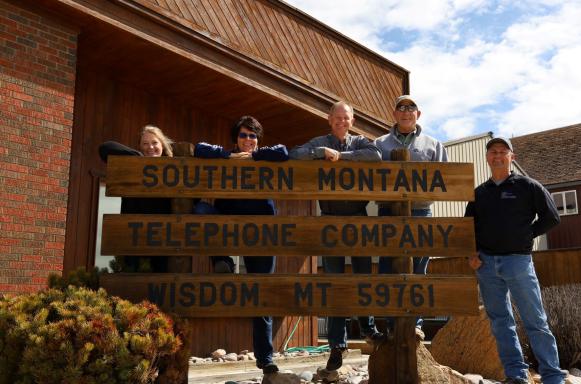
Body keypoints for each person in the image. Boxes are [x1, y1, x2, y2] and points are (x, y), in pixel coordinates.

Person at [289, 101, 384, 373]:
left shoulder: (361, 142)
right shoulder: (320, 141)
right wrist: (321, 152)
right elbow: (296, 154)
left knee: (363, 277)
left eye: (346, 117)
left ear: (352, 121)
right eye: (337, 117)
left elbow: (375, 156)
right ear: (329, 119)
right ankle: (336, 346)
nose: (342, 121)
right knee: (334, 283)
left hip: (358, 217)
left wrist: (343, 157)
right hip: (329, 221)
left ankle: (368, 328)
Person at [465, 137, 564, 384]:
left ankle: (552, 376)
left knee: (535, 321)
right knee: (501, 322)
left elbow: (551, 217)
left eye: (502, 151)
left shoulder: (528, 186)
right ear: (487, 158)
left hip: (518, 263)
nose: (497, 156)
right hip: (487, 266)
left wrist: (526, 234)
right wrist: (472, 253)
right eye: (492, 152)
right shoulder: (479, 193)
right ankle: (516, 374)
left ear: (512, 157)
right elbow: (468, 228)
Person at [193, 115, 288, 375]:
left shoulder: (264, 155)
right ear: (236, 138)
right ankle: (221, 260)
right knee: (200, 210)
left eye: (253, 136)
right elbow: (199, 148)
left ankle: (265, 358)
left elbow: (283, 151)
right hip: (229, 228)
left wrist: (254, 157)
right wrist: (228, 157)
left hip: (260, 234)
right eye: (244, 135)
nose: (249, 140)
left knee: (262, 295)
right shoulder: (225, 155)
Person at [373, 95, 448, 340]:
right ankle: (393, 325)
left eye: (411, 108)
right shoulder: (379, 144)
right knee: (388, 269)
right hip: (388, 213)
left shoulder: (434, 145)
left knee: (418, 270)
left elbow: (444, 181)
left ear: (419, 114)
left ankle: (415, 323)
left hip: (421, 212)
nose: (406, 112)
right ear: (394, 114)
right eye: (401, 108)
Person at [99, 125, 174, 273]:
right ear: (139, 147)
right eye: (145, 144)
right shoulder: (132, 165)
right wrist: (140, 159)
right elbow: (105, 148)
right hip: (133, 239)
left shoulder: (173, 171)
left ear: (162, 146)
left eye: (154, 143)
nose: (150, 147)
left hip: (162, 242)